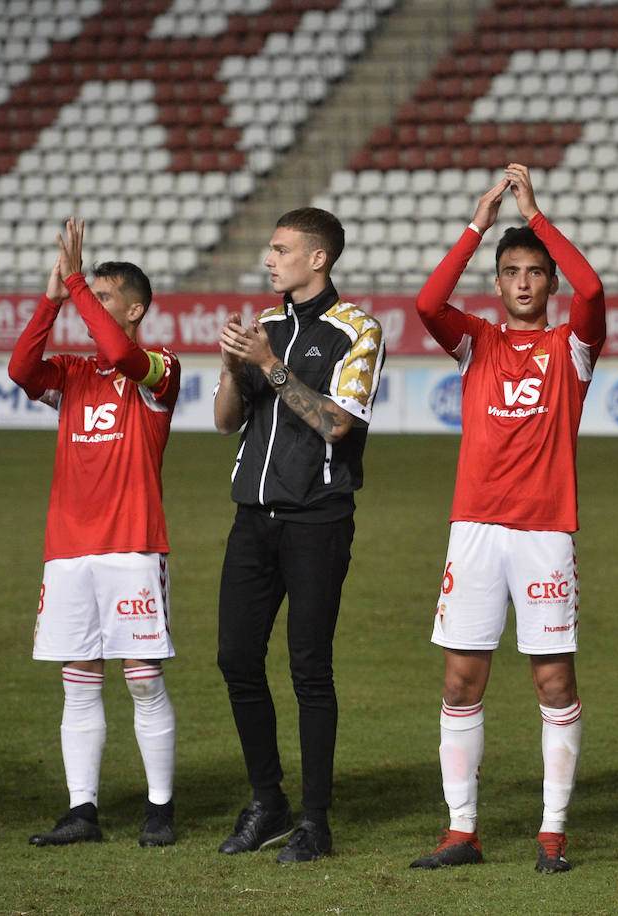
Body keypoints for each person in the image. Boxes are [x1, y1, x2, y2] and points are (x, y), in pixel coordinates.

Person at [409, 163, 606, 874]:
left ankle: (552, 833)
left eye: (535, 271)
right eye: (512, 270)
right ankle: (462, 831)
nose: (524, 281)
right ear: (497, 283)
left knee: (554, 684)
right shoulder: (477, 343)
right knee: (461, 681)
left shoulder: (572, 349)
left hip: (544, 535)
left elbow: (596, 291)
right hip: (477, 532)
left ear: (548, 283)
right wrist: (479, 224)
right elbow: (428, 304)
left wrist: (537, 214)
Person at [213, 207, 384, 863]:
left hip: (318, 519)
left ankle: (315, 821)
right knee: (235, 659)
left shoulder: (357, 330)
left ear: (318, 258)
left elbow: (337, 424)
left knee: (309, 668)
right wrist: (234, 365)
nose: (268, 258)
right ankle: (268, 800)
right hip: (252, 520)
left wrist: (271, 364)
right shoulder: (269, 327)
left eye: (281, 249)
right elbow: (227, 422)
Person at [10, 219, 180, 848]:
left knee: (141, 676)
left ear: (135, 309)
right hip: (69, 550)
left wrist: (77, 281)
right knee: (78, 678)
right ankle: (82, 810)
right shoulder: (72, 374)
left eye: (105, 299)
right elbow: (20, 369)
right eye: (91, 298)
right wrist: (52, 300)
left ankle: (159, 807)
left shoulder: (157, 368)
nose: (93, 308)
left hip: (133, 545)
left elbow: (121, 355)